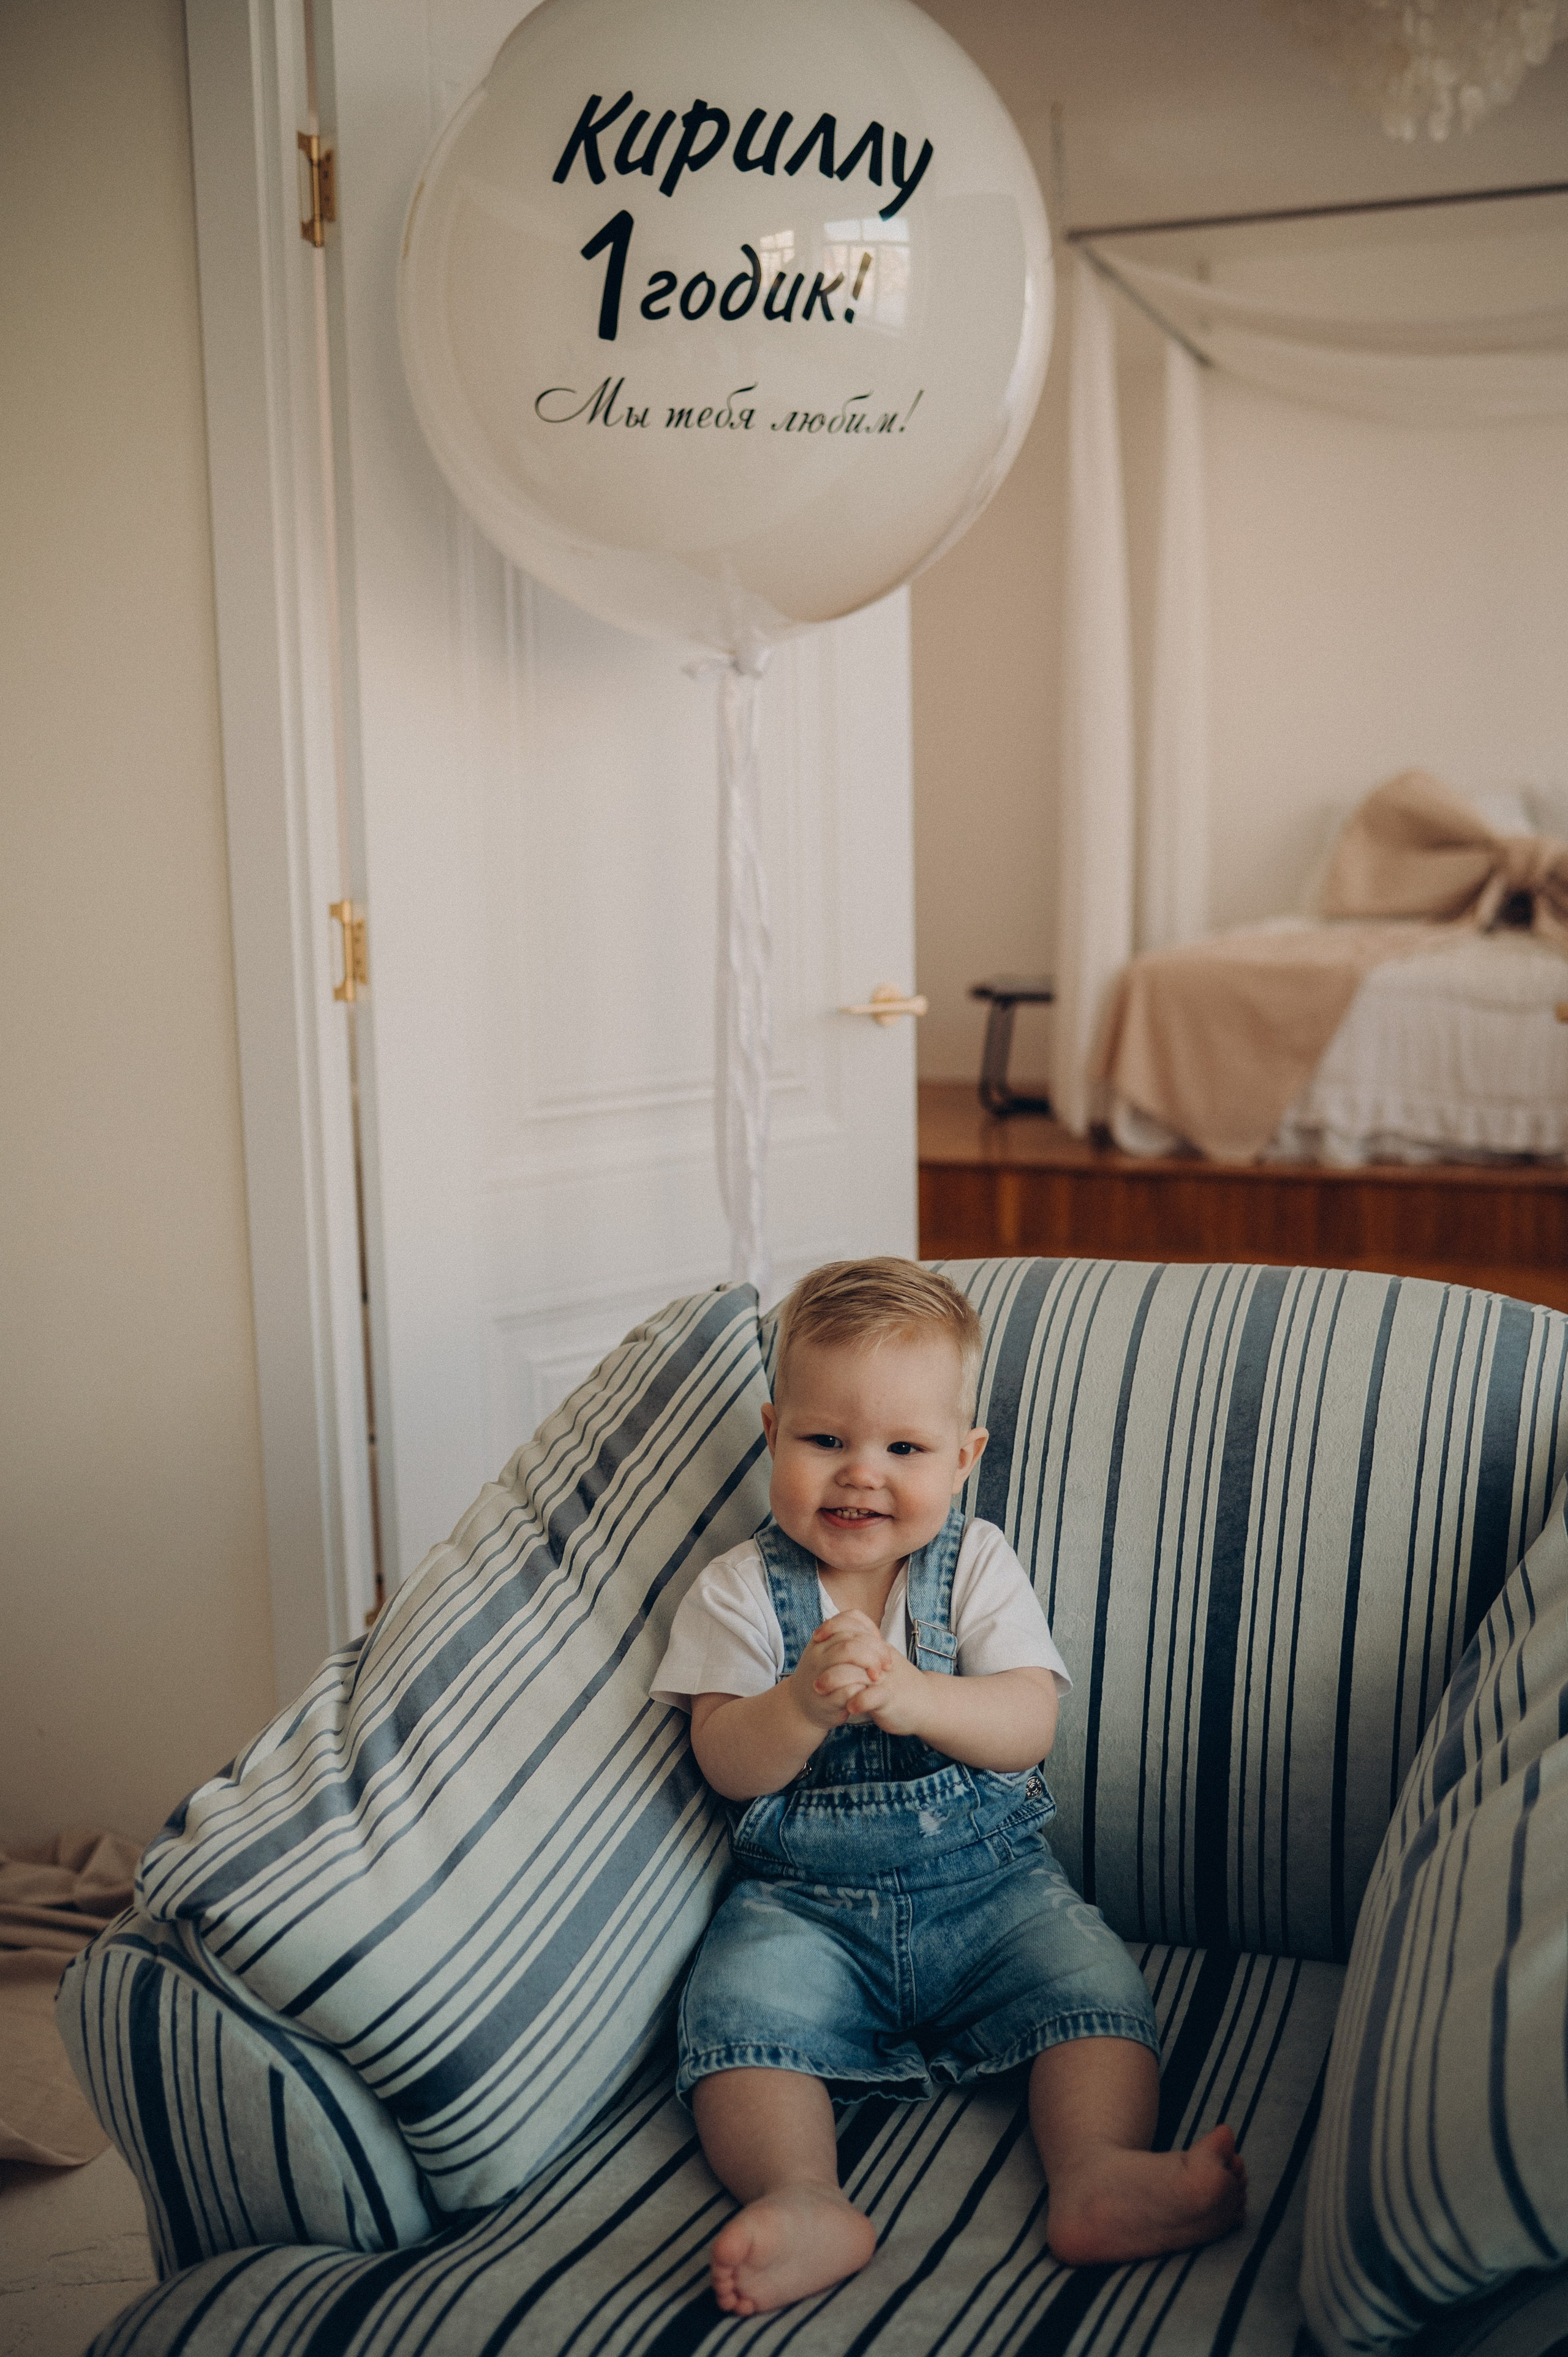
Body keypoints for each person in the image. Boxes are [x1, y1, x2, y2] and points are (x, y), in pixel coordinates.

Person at [650, 1258, 1246, 2318]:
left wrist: (916, 1695)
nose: (861, 1477)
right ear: (773, 1433)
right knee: (737, 2021)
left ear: (964, 1458)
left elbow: (1028, 1724)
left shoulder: (974, 1566)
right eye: (824, 1440)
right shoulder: (738, 1590)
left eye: (904, 1449)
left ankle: (1098, 2171)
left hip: (991, 1892)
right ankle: (803, 2196)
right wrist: (800, 1705)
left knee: (1091, 1988)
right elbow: (724, 1761)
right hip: (804, 1909)